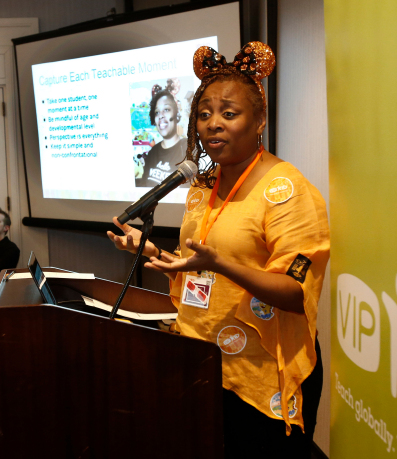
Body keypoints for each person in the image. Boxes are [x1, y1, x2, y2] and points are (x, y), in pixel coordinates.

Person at [108, 42, 330, 458]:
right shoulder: (202, 188)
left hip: (261, 378)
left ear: (259, 119)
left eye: (229, 113)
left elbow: (296, 293)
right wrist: (152, 251)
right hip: (205, 362)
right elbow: (198, 269)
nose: (213, 124)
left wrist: (222, 264)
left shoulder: (287, 189)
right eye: (205, 114)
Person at [135, 79, 188, 187]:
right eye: (157, 112)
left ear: (176, 113)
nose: (161, 115)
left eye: (167, 110)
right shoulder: (152, 153)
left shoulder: (188, 148)